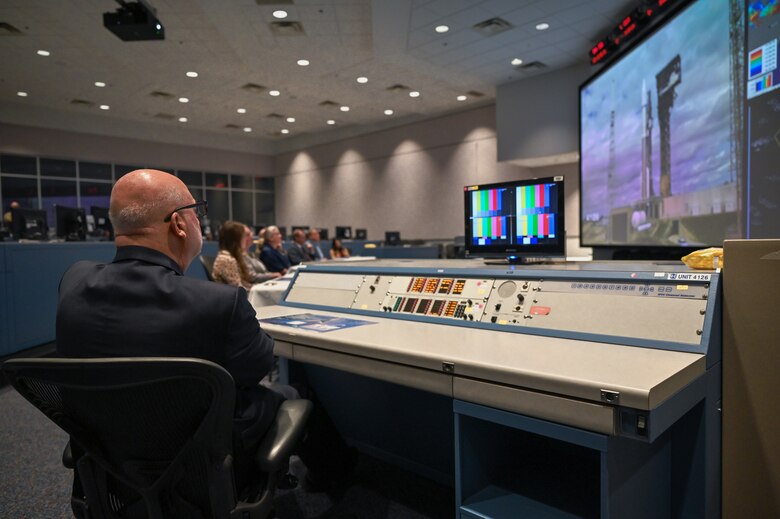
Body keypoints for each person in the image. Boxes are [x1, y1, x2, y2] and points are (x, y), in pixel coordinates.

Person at [55, 169, 356, 499]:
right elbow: (257, 369)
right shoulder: (219, 302)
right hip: (203, 461)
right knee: (297, 393)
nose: (201, 221)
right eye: (197, 212)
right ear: (180, 224)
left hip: (106, 453)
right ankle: (333, 479)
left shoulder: (74, 280)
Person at [212, 220, 255, 290]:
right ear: (236, 239)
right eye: (244, 236)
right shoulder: (227, 260)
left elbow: (242, 284)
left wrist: (257, 287)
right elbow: (239, 289)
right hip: (231, 299)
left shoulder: (229, 257)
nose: (246, 240)